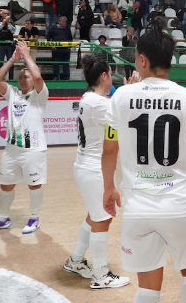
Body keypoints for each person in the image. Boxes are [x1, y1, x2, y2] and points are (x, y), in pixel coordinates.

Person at [101, 17, 186, 303]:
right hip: (180, 204)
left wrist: (109, 188)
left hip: (138, 207)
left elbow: (109, 149)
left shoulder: (120, 97)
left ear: (142, 59)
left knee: (147, 289)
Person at [63, 54, 130, 290]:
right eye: (111, 74)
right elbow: (124, 119)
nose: (113, 78)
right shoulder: (99, 104)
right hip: (93, 169)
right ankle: (101, 275)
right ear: (104, 76)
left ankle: (75, 260)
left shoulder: (90, 98)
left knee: (94, 216)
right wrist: (129, 92)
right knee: (103, 219)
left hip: (86, 166)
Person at [0, 41, 48, 234]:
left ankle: (34, 218)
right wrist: (12, 59)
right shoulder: (12, 93)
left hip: (33, 149)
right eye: (19, 77)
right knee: (5, 184)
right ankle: (3, 218)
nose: (22, 79)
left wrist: (26, 55)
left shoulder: (39, 96)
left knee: (34, 185)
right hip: (11, 150)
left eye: (26, 76)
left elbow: (37, 76)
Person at [46, 16, 73, 80]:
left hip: (65, 49)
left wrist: (69, 46)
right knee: (56, 63)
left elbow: (70, 38)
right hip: (56, 49)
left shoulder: (67, 28)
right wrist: (51, 45)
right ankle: (56, 76)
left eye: (65, 22)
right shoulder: (53, 28)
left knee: (66, 64)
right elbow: (48, 37)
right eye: (63, 21)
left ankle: (66, 77)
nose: (64, 23)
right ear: (59, 21)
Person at [0, 10, 16, 80]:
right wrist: (2, 23)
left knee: (11, 62)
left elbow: (13, 31)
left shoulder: (11, 22)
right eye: (5, 13)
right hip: (0, 44)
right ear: (1, 14)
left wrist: (8, 23)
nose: (6, 15)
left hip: (9, 45)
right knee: (0, 62)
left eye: (7, 14)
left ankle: (11, 79)